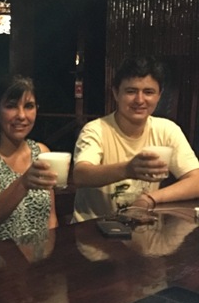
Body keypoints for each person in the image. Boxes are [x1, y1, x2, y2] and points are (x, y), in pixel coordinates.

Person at [72, 55, 199, 221]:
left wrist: (150, 199)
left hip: (140, 228)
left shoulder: (167, 130)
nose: (139, 100)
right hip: (93, 229)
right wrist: (127, 170)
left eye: (148, 92)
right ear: (116, 93)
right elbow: (80, 175)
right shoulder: (96, 130)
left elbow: (196, 180)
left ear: (159, 95)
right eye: (131, 91)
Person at [0, 74, 58, 245]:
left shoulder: (42, 152)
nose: (22, 115)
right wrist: (23, 183)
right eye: (11, 106)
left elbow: (51, 217)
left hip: (40, 257)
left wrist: (50, 253)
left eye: (29, 106)